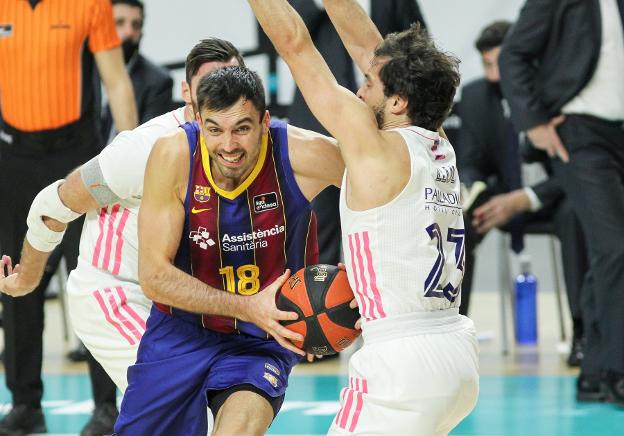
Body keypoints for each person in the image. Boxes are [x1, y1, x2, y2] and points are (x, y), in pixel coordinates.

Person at [248, 0, 479, 434]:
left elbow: (295, 45)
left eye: (368, 82)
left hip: (401, 362)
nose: (358, 90)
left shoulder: (373, 148)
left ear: (398, 100)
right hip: (456, 350)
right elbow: (366, 45)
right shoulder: (439, 143)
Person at [0, 38, 242, 435]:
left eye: (231, 82)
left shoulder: (242, 146)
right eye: (209, 85)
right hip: (113, 295)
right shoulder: (146, 148)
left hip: (174, 304)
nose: (221, 94)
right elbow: (54, 202)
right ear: (186, 93)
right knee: (192, 411)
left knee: (234, 407)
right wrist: (27, 277)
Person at [112, 66, 343, 435]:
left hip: (261, 338)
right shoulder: (173, 155)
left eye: (242, 128)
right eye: (215, 129)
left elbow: (383, 184)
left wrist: (360, 296)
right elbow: (154, 277)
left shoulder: (301, 153)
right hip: (180, 330)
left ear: (265, 121)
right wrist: (247, 306)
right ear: (199, 120)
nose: (229, 145)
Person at [0, 0, 137, 433]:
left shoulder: (90, 4)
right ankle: (25, 404)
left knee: (93, 278)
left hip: (77, 156)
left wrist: (131, 157)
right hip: (13, 157)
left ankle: (105, 405)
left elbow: (116, 81)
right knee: (18, 281)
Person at [498, 0, 624, 405]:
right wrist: (532, 122)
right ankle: (617, 369)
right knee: (616, 247)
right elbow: (513, 52)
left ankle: (593, 370)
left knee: (611, 253)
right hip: (581, 133)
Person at [456, 20, 588, 367]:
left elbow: (580, 166)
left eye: (501, 63)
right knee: (460, 222)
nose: (494, 74)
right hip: (502, 197)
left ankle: (584, 333)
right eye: (487, 65)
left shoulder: (557, 92)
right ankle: (454, 336)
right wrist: (474, 192)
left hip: (559, 194)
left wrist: (526, 197)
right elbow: (470, 161)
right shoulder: (474, 97)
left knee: (577, 215)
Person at [101, 0, 174, 142]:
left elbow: (147, 144)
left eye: (136, 25)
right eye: (119, 23)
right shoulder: (83, 72)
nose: (129, 32)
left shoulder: (158, 82)